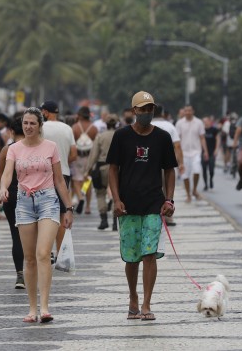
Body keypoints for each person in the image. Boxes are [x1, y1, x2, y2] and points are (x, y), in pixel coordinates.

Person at [0, 107, 74, 324]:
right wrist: (4, 188)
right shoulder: (14, 149)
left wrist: (68, 208)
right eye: (25, 123)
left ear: (40, 125)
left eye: (32, 123)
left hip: (48, 201)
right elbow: (7, 173)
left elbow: (60, 180)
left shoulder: (50, 147)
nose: (28, 127)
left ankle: (45, 307)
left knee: (43, 253)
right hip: (23, 202)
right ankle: (32, 308)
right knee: (29, 257)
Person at [108, 91, 177, 322]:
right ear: (134, 110)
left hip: (153, 204)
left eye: (151, 109)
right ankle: (133, 297)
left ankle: (147, 302)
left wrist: (169, 199)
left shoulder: (163, 138)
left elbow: (169, 170)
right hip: (127, 206)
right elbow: (113, 170)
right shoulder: (121, 136)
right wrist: (116, 200)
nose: (147, 113)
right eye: (143, 109)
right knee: (132, 257)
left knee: (149, 254)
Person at [39, 100, 77, 256]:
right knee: (62, 215)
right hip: (63, 174)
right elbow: (74, 154)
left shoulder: (40, 128)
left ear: (46, 113)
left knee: (43, 214)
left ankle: (45, 252)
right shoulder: (67, 128)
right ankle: (60, 252)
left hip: (42, 175)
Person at [0, 115, 26, 289]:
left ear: (12, 132)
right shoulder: (33, 148)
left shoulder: (7, 150)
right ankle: (34, 268)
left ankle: (20, 274)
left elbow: (0, 176)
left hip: (11, 195)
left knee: (16, 235)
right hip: (31, 194)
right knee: (33, 235)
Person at [151, 105, 183, 227]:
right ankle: (168, 217)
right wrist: (180, 163)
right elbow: (178, 146)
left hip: (149, 165)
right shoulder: (170, 126)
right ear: (163, 113)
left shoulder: (146, 126)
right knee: (167, 191)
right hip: (166, 164)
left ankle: (153, 214)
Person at [89, 114, 118, 230]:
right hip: (117, 169)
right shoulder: (121, 135)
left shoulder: (100, 137)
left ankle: (104, 220)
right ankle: (116, 223)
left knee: (100, 193)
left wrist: (88, 169)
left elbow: (94, 155)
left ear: (106, 124)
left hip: (102, 168)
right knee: (117, 194)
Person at [175, 105, 208, 203]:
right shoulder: (179, 123)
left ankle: (194, 190)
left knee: (197, 170)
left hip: (196, 152)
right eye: (186, 111)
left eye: (189, 110)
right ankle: (188, 194)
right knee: (185, 175)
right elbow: (177, 139)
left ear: (193, 111)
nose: (188, 112)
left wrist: (205, 151)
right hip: (183, 153)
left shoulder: (199, 122)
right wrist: (176, 154)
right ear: (184, 112)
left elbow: (202, 137)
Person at [71, 106, 98, 215]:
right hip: (90, 157)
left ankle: (80, 197)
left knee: (76, 180)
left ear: (80, 115)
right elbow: (96, 144)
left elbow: (72, 144)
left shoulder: (75, 127)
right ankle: (87, 207)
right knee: (88, 180)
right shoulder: (94, 128)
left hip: (78, 157)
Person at [202, 116, 220, 191]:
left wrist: (216, 150)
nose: (204, 123)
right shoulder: (201, 130)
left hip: (212, 152)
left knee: (211, 169)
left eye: (206, 121)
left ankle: (211, 179)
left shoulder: (214, 130)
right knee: (204, 169)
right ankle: (206, 184)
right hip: (203, 152)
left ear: (209, 121)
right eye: (203, 121)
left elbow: (218, 139)